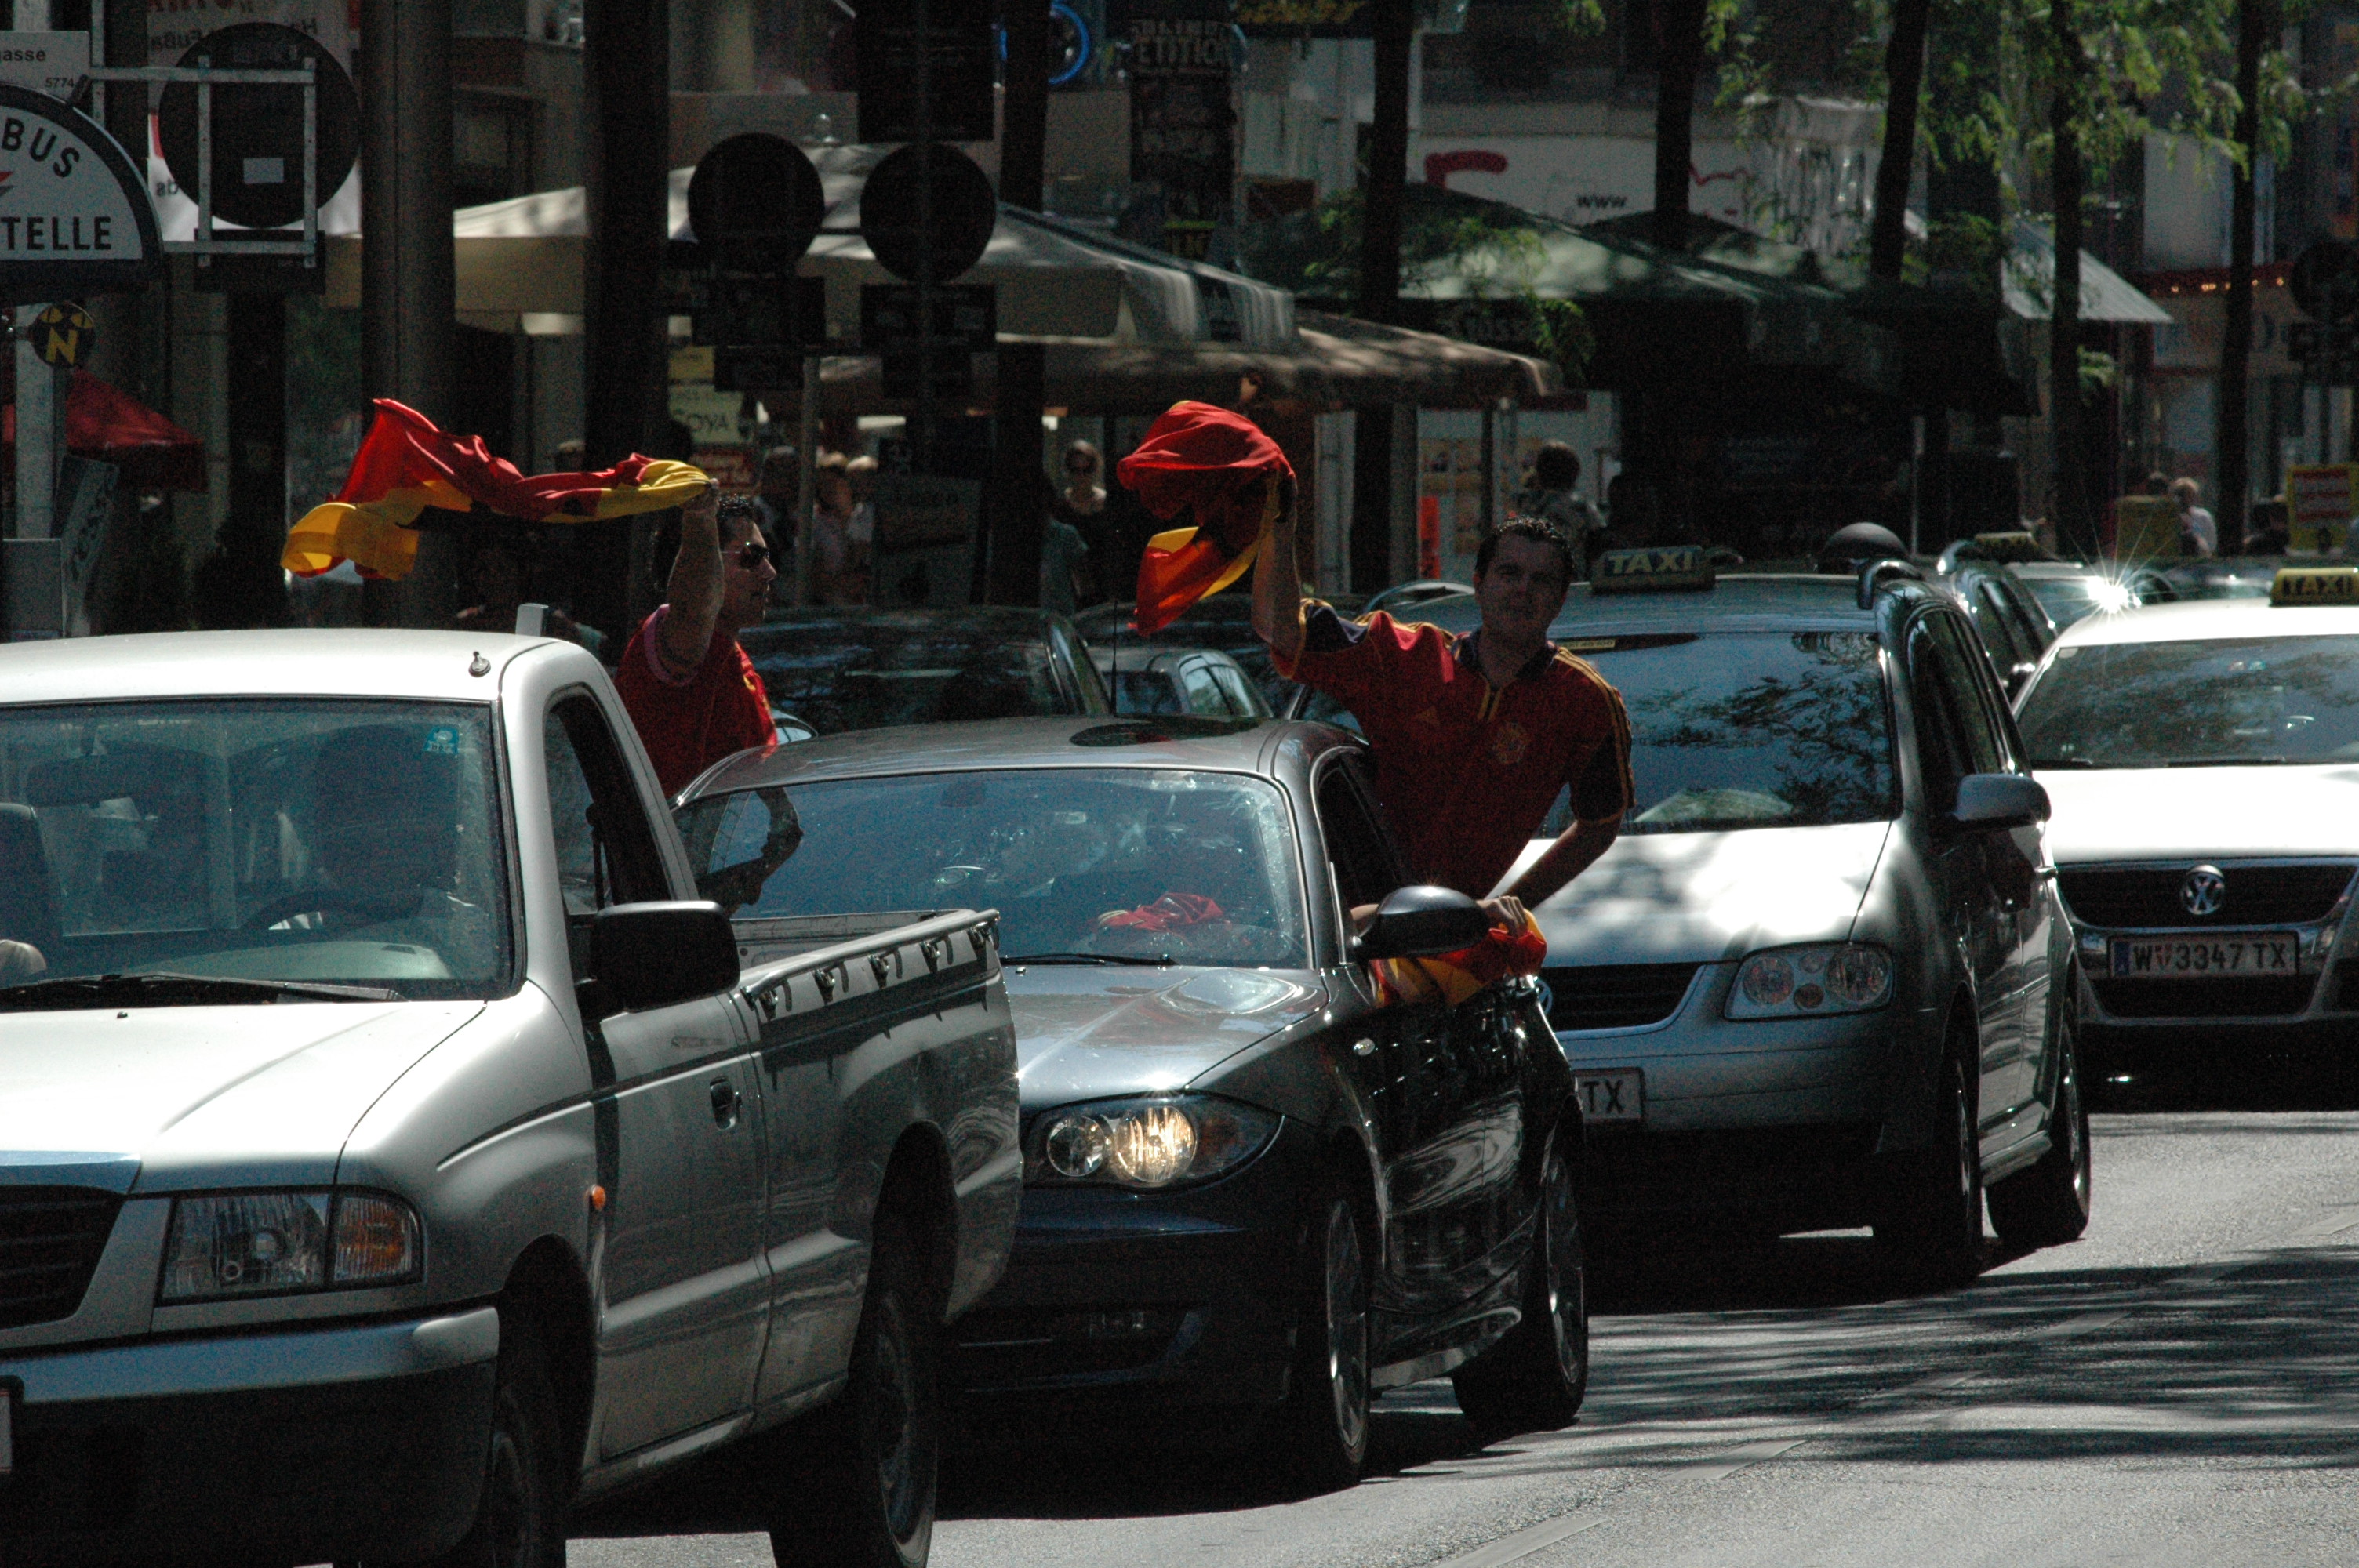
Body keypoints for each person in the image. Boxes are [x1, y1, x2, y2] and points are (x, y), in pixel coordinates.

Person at [1253, 506, 1633, 915]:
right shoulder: (1401, 655)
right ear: (1478, 585)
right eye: (1509, 574)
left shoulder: (1586, 702)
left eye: (1541, 581)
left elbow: (1599, 826)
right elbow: (1279, 628)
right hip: (1334, 919)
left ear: (1560, 599)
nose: (1523, 589)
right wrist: (1280, 524)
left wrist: (1507, 907)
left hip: (1451, 937)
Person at [616, 488, 781, 797]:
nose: (769, 572)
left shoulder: (733, 655)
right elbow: (694, 610)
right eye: (751, 557)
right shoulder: (674, 642)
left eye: (766, 557)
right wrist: (700, 519)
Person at [1514, 441, 1605, 576]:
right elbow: (1599, 542)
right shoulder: (1582, 507)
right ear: (1574, 472)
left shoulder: (1527, 506)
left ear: (1540, 472)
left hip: (1535, 577)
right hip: (1574, 580)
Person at [809, 451, 867, 605]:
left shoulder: (864, 514)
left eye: (833, 483)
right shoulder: (815, 522)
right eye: (823, 484)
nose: (828, 490)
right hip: (830, 603)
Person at [2172, 477, 2218, 557]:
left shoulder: (2203, 517)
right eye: (2181, 494)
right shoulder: (2170, 518)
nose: (2186, 499)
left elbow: (2212, 542)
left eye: (2190, 495)